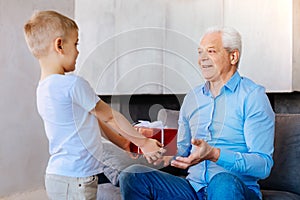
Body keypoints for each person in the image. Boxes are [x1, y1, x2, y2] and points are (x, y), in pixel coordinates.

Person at [119, 26, 275, 200]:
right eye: (200, 52)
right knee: (133, 176)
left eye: (211, 51)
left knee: (222, 181)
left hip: (235, 189)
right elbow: (182, 149)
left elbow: (263, 165)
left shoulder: (253, 97)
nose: (202, 59)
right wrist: (159, 150)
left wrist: (215, 154)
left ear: (233, 56)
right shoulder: (192, 98)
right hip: (193, 189)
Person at [23, 10, 165, 200]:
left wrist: (125, 143)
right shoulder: (72, 84)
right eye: (75, 43)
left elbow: (94, 122)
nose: (78, 51)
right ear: (59, 45)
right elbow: (110, 116)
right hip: (77, 180)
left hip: (59, 176)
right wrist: (144, 142)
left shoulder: (43, 88)